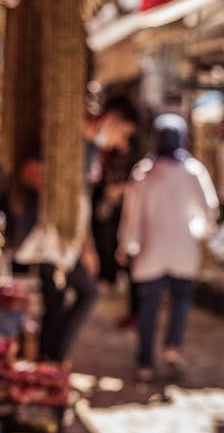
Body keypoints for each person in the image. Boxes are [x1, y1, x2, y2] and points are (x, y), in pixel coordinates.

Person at [15, 97, 138, 363]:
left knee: (56, 302)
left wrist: (87, 246)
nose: (122, 144)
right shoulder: (69, 140)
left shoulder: (92, 150)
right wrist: (62, 189)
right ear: (111, 119)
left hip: (66, 239)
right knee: (86, 292)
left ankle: (48, 362)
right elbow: (28, 172)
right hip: (49, 236)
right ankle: (54, 361)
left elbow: (81, 204)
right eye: (124, 134)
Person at [117, 113, 219, 382]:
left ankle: (145, 363)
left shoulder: (144, 172)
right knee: (180, 301)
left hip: (151, 249)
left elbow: (132, 214)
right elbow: (210, 209)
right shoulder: (193, 171)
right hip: (183, 249)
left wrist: (127, 244)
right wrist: (199, 232)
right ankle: (172, 346)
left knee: (149, 305)